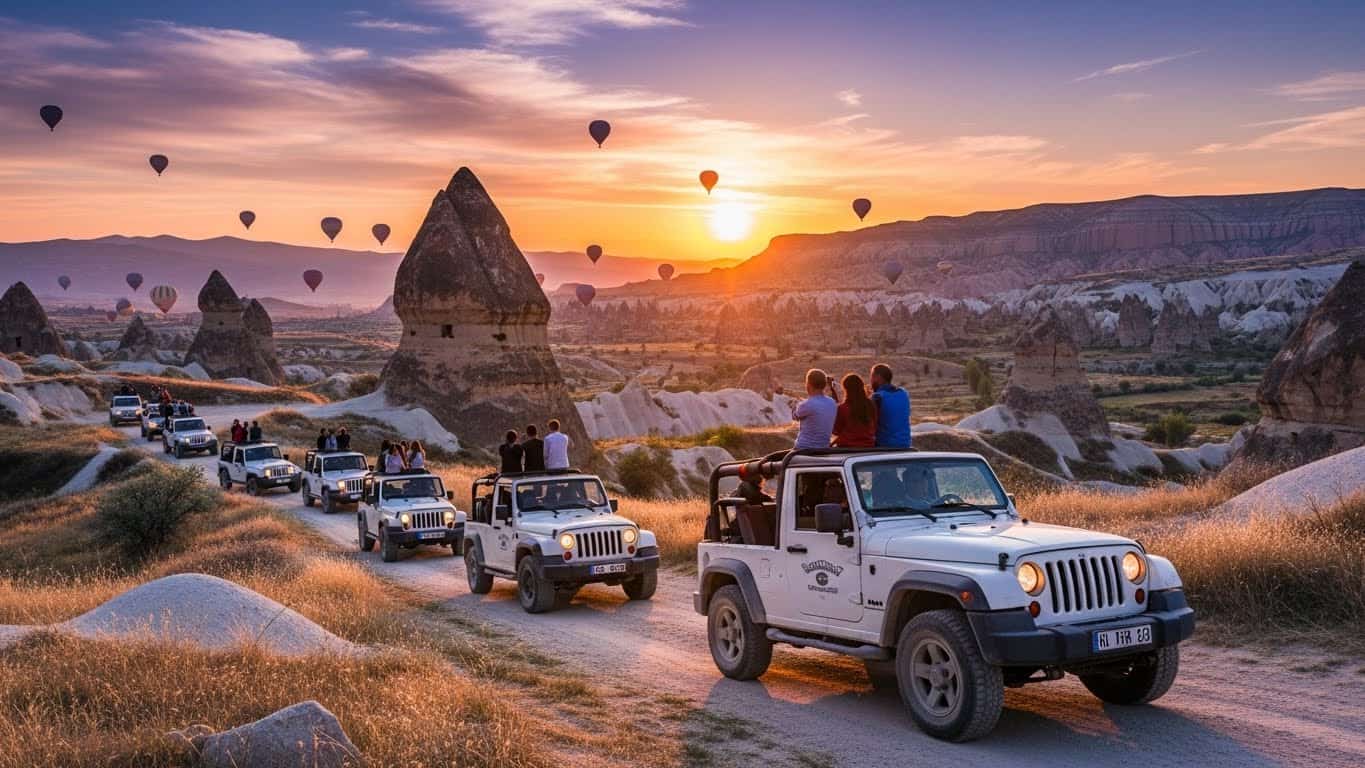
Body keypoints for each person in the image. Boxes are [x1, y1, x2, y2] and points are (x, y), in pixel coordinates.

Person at [791, 369, 837, 450]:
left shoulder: (806, 404)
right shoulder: (832, 402)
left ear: (808, 385)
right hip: (824, 447)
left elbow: (794, 416)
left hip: (804, 448)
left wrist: (794, 406)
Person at [869, 363, 911, 449]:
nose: (871, 380)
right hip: (905, 444)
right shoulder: (903, 393)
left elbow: (870, 424)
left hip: (885, 445)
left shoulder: (877, 397)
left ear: (878, 377)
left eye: (872, 376)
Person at [832, 373, 877, 447]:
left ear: (846, 389)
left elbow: (836, 431)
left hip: (847, 447)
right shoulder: (871, 405)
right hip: (868, 445)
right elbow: (874, 426)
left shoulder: (843, 408)